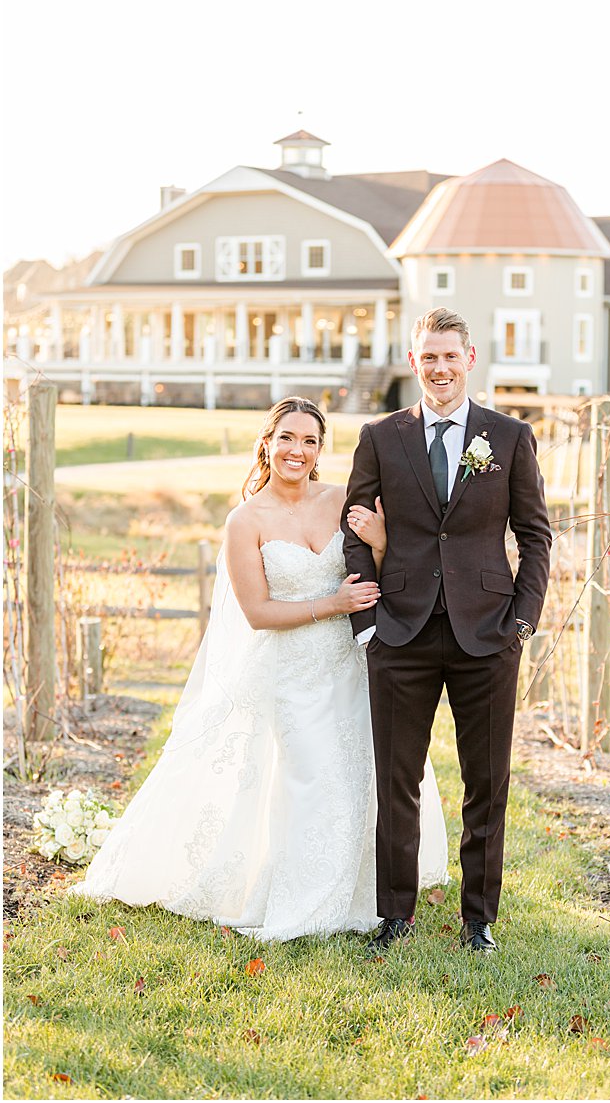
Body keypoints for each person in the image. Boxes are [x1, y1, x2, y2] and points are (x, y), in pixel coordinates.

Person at [76, 397, 448, 941]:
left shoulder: (344, 500)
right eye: (288, 438)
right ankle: (305, 902)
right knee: (313, 778)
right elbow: (258, 613)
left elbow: (390, 571)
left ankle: (364, 897)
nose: (298, 450)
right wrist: (331, 606)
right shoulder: (244, 521)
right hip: (292, 670)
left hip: (352, 665)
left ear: (321, 450)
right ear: (267, 443)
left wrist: (383, 541)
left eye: (310, 441)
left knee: (363, 776)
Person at [343, 307, 552, 954]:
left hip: (487, 635)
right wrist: (365, 625)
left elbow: (536, 536)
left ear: (470, 358)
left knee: (486, 782)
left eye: (449, 355)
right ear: (414, 362)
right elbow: (353, 529)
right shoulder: (381, 436)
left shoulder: (509, 437)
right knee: (396, 778)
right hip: (398, 634)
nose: (439, 367)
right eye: (427, 356)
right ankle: (395, 915)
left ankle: (478, 921)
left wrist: (520, 623)